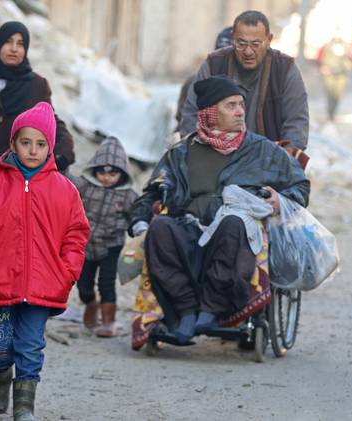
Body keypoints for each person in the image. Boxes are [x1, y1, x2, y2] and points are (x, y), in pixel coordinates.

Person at [129, 76, 309, 344]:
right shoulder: (181, 153)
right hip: (190, 228)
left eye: (241, 105)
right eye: (230, 105)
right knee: (160, 228)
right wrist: (140, 221)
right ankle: (187, 312)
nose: (239, 112)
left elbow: (300, 186)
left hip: (233, 233)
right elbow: (152, 192)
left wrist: (279, 200)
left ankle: (211, 309)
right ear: (210, 114)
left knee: (234, 223)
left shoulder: (262, 150)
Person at [0, 102, 89, 421]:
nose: (33, 150)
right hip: (0, 282)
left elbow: (76, 234)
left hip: (44, 284)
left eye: (40, 144)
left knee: (31, 345)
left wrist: (67, 272)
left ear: (49, 147)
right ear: (13, 143)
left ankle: (24, 404)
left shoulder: (64, 190)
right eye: (26, 142)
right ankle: (0, 375)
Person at [0, 21, 76, 324]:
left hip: (17, 173)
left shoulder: (35, 84)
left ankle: (8, 301)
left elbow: (50, 120)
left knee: (8, 241)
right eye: (9, 41)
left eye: (21, 43)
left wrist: (61, 153)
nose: (14, 48)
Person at [178, 10, 309, 155]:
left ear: (269, 40)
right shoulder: (214, 64)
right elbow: (191, 115)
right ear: (233, 38)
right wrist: (199, 154)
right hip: (219, 157)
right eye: (241, 44)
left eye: (255, 44)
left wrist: (284, 158)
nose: (248, 52)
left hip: (267, 159)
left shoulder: (285, 69)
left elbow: (296, 124)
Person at [69, 137, 138, 337]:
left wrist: (139, 225)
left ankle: (109, 321)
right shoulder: (85, 186)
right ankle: (91, 303)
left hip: (111, 246)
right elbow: (66, 184)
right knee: (83, 285)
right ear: (94, 170)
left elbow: (138, 213)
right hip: (86, 244)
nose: (106, 178)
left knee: (107, 283)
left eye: (113, 173)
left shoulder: (128, 196)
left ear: (122, 174)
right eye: (102, 172)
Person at [319, 36, 352, 122]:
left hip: (341, 75)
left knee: (337, 95)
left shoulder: (346, 46)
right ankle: (330, 114)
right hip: (329, 74)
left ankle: (333, 113)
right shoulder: (327, 46)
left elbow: (351, 59)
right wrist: (323, 67)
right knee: (330, 94)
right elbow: (320, 58)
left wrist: (348, 66)